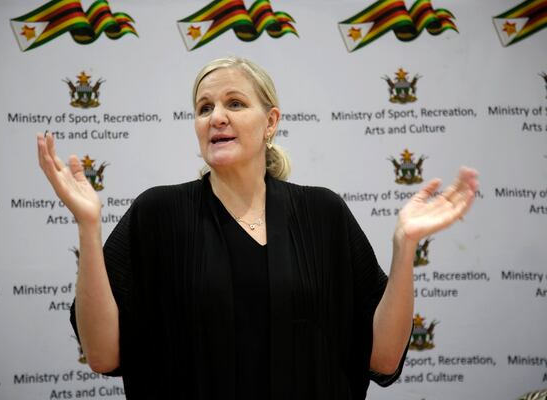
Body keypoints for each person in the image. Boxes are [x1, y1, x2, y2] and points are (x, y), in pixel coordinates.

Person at [37, 56, 478, 399]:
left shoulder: (323, 213)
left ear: (270, 122)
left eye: (234, 103)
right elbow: (101, 355)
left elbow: (383, 359)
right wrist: (88, 227)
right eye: (204, 107)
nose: (216, 117)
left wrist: (404, 248)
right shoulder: (158, 212)